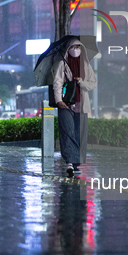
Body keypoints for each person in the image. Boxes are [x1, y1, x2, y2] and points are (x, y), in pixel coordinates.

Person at [53, 38, 97, 176]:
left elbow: (93, 83)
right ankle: (69, 163)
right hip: (65, 103)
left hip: (81, 104)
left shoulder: (86, 65)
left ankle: (76, 163)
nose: (75, 50)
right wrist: (58, 100)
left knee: (79, 133)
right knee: (67, 131)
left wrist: (81, 82)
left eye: (78, 47)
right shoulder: (62, 64)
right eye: (73, 47)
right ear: (68, 49)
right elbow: (57, 83)